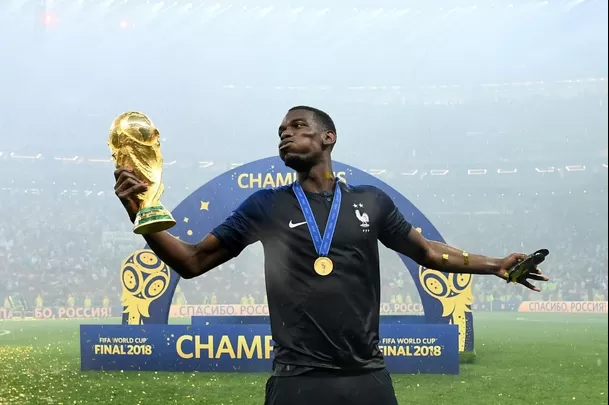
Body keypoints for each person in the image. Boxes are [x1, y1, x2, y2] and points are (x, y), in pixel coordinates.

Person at [113, 106, 549, 405]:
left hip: (367, 380)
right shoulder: (265, 206)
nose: (286, 133)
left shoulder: (371, 202)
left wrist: (496, 266)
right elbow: (190, 262)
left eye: (298, 126)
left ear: (328, 137)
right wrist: (142, 212)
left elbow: (429, 253)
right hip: (296, 383)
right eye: (281, 130)